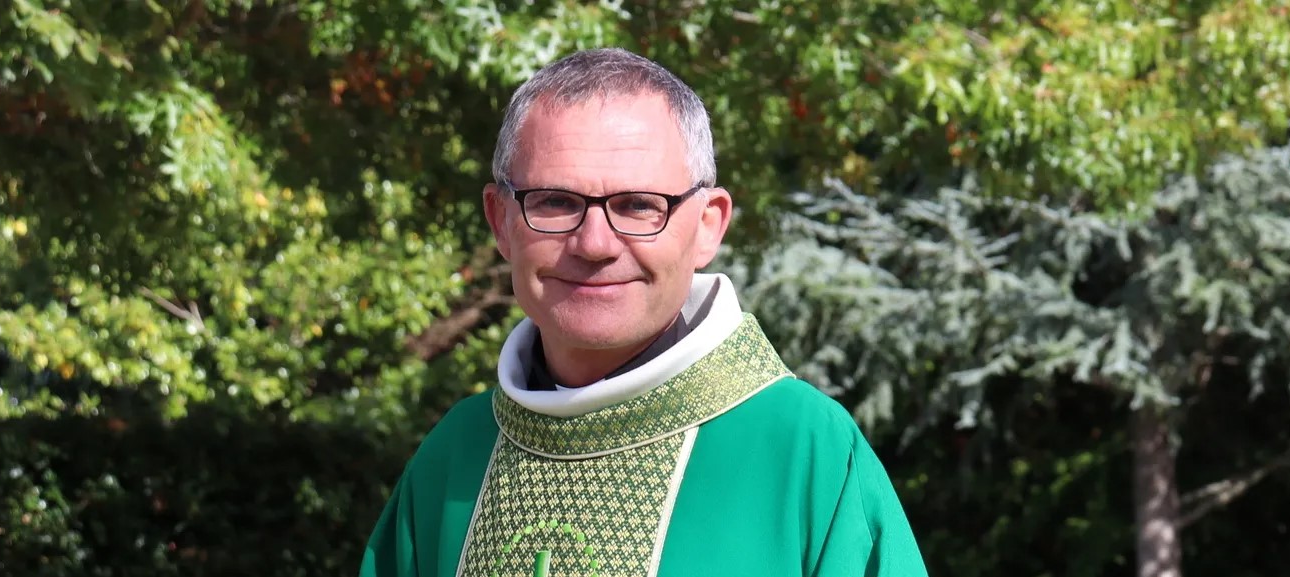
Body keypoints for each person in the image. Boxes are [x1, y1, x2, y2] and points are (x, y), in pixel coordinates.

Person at [359, 48, 928, 577]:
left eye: (637, 206)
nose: (594, 244)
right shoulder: (456, 452)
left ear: (708, 225)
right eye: (555, 202)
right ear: (500, 221)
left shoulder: (805, 449)